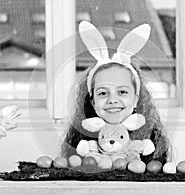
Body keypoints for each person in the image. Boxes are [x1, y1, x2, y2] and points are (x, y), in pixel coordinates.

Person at [61, 21, 171, 165]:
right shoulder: (83, 145)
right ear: (92, 101)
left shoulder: (147, 144)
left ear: (136, 99)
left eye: (122, 91)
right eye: (103, 93)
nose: (112, 99)